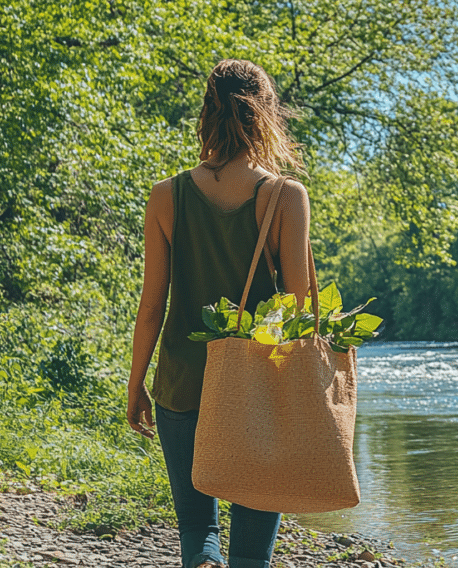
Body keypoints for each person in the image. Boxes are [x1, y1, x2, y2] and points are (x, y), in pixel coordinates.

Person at [126, 59, 311, 568]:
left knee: (197, 531)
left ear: (206, 113)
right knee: (252, 549)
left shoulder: (166, 195)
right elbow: (299, 311)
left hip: (183, 383)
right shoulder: (284, 196)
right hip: (260, 389)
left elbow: (152, 305)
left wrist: (137, 382)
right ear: (266, 115)